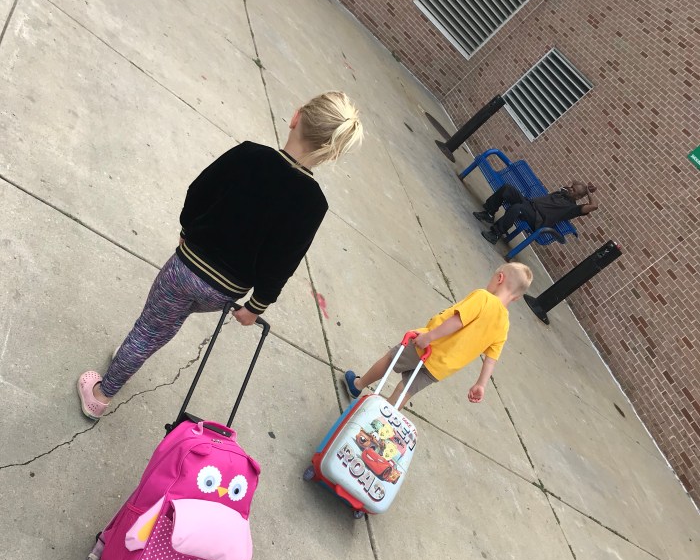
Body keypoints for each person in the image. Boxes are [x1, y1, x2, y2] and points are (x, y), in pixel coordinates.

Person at [77, 92, 363, 420]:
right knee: (168, 322)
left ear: (296, 117)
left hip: (186, 268)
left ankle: (100, 395)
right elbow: (283, 262)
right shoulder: (314, 204)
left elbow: (199, 190)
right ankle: (132, 355)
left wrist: (187, 229)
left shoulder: (250, 155)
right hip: (224, 292)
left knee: (149, 328)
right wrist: (256, 306)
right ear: (332, 152)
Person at [343, 262, 533, 407]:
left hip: (428, 347)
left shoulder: (484, 298)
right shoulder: (504, 325)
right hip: (442, 367)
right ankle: (378, 425)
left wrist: (429, 337)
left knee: (391, 359)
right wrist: (480, 384)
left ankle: (357, 385)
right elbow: (491, 359)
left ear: (499, 278)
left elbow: (457, 321)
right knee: (405, 390)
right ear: (516, 298)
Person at [475, 180, 598, 245]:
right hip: (529, 204)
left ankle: (495, 234)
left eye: (573, 190)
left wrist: (588, 192)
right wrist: (582, 186)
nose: (570, 189)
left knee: (517, 208)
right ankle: (489, 214)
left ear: (578, 197)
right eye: (571, 187)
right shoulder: (562, 193)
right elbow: (573, 180)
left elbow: (594, 206)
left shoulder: (572, 209)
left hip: (536, 217)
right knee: (507, 188)